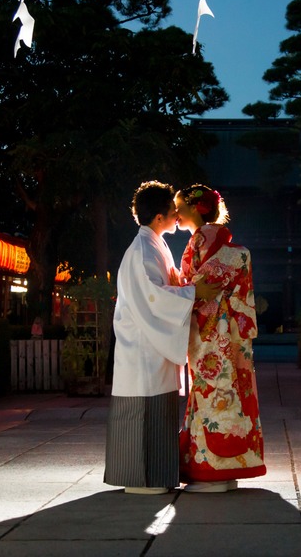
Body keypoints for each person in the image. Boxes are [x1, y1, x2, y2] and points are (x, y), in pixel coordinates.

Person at [104, 180, 218, 495]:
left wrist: (187, 288)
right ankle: (143, 479)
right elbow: (154, 296)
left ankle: (155, 476)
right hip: (143, 346)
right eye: (172, 212)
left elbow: (166, 287)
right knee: (143, 412)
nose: (177, 217)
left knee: (155, 411)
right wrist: (195, 292)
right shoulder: (143, 250)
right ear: (158, 218)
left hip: (151, 344)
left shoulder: (152, 244)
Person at [175, 184, 266, 492]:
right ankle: (232, 466)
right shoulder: (225, 244)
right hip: (233, 331)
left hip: (210, 331)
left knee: (209, 392)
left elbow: (194, 286)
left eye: (180, 207)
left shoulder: (202, 239)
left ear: (196, 209)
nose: (176, 213)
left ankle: (208, 469)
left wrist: (177, 286)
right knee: (234, 393)